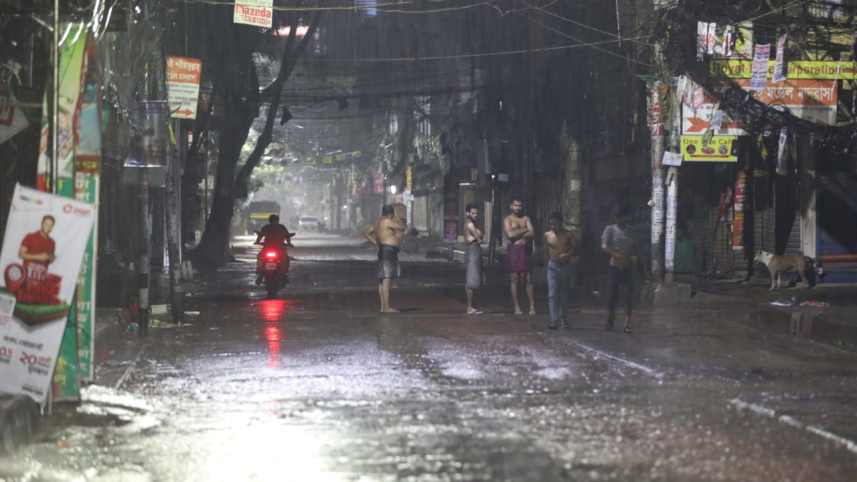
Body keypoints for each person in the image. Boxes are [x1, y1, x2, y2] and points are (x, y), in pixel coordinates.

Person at [601, 205, 650, 333]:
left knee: (629, 295)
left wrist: (645, 268)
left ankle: (626, 324)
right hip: (614, 267)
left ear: (626, 217)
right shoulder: (610, 229)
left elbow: (639, 249)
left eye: (622, 217)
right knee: (612, 295)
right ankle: (611, 316)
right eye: (618, 218)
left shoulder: (632, 231)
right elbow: (604, 246)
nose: (620, 220)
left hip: (628, 267)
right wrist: (614, 253)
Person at [364, 204, 406, 313]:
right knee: (386, 279)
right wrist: (397, 216)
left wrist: (377, 243)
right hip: (388, 252)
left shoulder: (377, 222)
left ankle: (383, 307)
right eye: (393, 214)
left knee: (382, 280)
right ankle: (386, 307)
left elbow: (367, 233)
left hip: (384, 250)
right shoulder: (387, 221)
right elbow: (402, 227)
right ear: (390, 214)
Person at [544, 212, 579, 330]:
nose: (553, 227)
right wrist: (546, 268)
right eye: (551, 224)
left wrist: (567, 254)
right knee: (552, 293)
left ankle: (563, 317)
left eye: (555, 224)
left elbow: (577, 249)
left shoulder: (568, 235)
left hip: (565, 266)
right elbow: (546, 252)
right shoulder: (547, 236)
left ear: (561, 224)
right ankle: (553, 320)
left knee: (564, 294)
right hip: (552, 266)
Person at [503, 196, 536, 315]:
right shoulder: (507, 219)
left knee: (528, 279)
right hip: (514, 250)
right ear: (511, 206)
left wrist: (519, 233)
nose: (518, 208)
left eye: (519, 206)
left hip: (525, 249)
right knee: (514, 279)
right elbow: (510, 235)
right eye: (515, 205)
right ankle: (517, 307)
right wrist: (524, 230)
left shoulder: (525, 218)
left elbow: (532, 232)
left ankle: (532, 307)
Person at [254, 215, 293, 285]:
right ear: (278, 220)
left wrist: (257, 242)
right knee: (286, 259)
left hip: (267, 248)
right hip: (279, 249)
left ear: (269, 220)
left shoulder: (266, 227)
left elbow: (260, 236)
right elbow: (287, 236)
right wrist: (289, 243)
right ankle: (284, 274)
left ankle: (259, 271)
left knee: (259, 257)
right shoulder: (281, 227)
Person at [18, 215, 57, 281]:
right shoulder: (30, 236)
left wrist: (50, 258)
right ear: (42, 224)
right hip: (27, 277)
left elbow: (50, 260)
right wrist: (38, 257)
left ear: (52, 227)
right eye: (46, 224)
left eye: (50, 225)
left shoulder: (52, 242)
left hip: (41, 279)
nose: (48, 227)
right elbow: (20, 254)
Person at [463, 203, 484, 315]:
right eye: (473, 213)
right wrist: (479, 235)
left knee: (475, 277)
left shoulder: (472, 223)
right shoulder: (470, 224)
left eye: (476, 213)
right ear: (468, 213)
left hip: (474, 250)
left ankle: (472, 306)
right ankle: (470, 307)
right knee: (471, 278)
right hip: (472, 251)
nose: (476, 215)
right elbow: (479, 238)